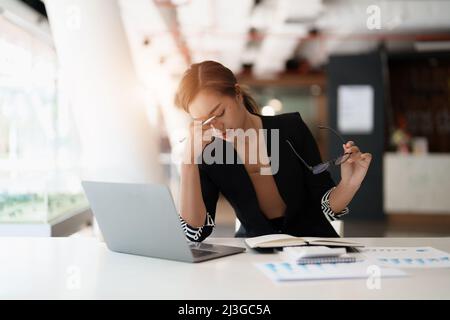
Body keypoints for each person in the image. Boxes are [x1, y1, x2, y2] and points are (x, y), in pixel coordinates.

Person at [174, 60, 372, 242]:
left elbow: (326, 208)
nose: (216, 127)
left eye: (219, 113)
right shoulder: (210, 154)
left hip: (313, 245)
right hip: (253, 252)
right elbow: (195, 233)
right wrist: (188, 162)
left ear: (237, 93)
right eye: (204, 123)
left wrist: (350, 183)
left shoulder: (290, 129)